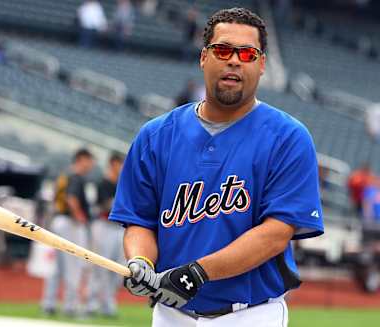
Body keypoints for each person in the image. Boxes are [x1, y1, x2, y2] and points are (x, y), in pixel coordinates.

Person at [109, 7, 324, 326]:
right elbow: (139, 221)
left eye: (248, 53)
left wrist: (197, 273)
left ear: (262, 64)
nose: (234, 60)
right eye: (223, 50)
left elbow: (276, 234)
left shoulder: (288, 137)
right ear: (203, 58)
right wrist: (141, 261)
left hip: (250, 314)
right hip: (171, 313)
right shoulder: (155, 136)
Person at [41, 148, 95, 317]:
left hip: (60, 222)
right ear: (81, 159)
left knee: (57, 268)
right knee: (73, 267)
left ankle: (48, 304)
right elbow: (71, 199)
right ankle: (70, 306)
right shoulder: (75, 177)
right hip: (70, 224)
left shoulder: (66, 175)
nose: (91, 164)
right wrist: (80, 217)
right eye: (89, 160)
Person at [86, 152, 125, 317]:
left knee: (117, 269)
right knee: (99, 266)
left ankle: (108, 304)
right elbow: (104, 206)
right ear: (113, 164)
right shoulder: (103, 182)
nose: (122, 167)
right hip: (103, 226)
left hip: (120, 228)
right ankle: (91, 304)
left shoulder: (124, 183)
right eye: (120, 163)